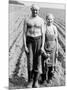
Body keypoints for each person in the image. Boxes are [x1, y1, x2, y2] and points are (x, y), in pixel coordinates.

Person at [23, 4, 47, 88]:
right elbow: (24, 34)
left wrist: (42, 46)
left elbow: (43, 34)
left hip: (38, 41)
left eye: (36, 10)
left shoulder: (41, 21)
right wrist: (25, 46)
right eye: (33, 10)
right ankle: (30, 81)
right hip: (29, 41)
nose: (35, 11)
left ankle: (36, 82)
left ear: (38, 11)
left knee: (37, 62)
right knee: (30, 62)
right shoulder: (27, 20)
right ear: (31, 10)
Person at [43, 13, 58, 81]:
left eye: (51, 19)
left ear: (53, 20)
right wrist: (42, 48)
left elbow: (56, 40)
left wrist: (57, 49)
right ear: (46, 19)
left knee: (51, 64)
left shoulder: (54, 28)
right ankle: (43, 78)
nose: (50, 20)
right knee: (44, 63)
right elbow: (42, 39)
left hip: (53, 49)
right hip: (46, 48)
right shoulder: (44, 27)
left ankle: (49, 78)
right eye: (48, 19)